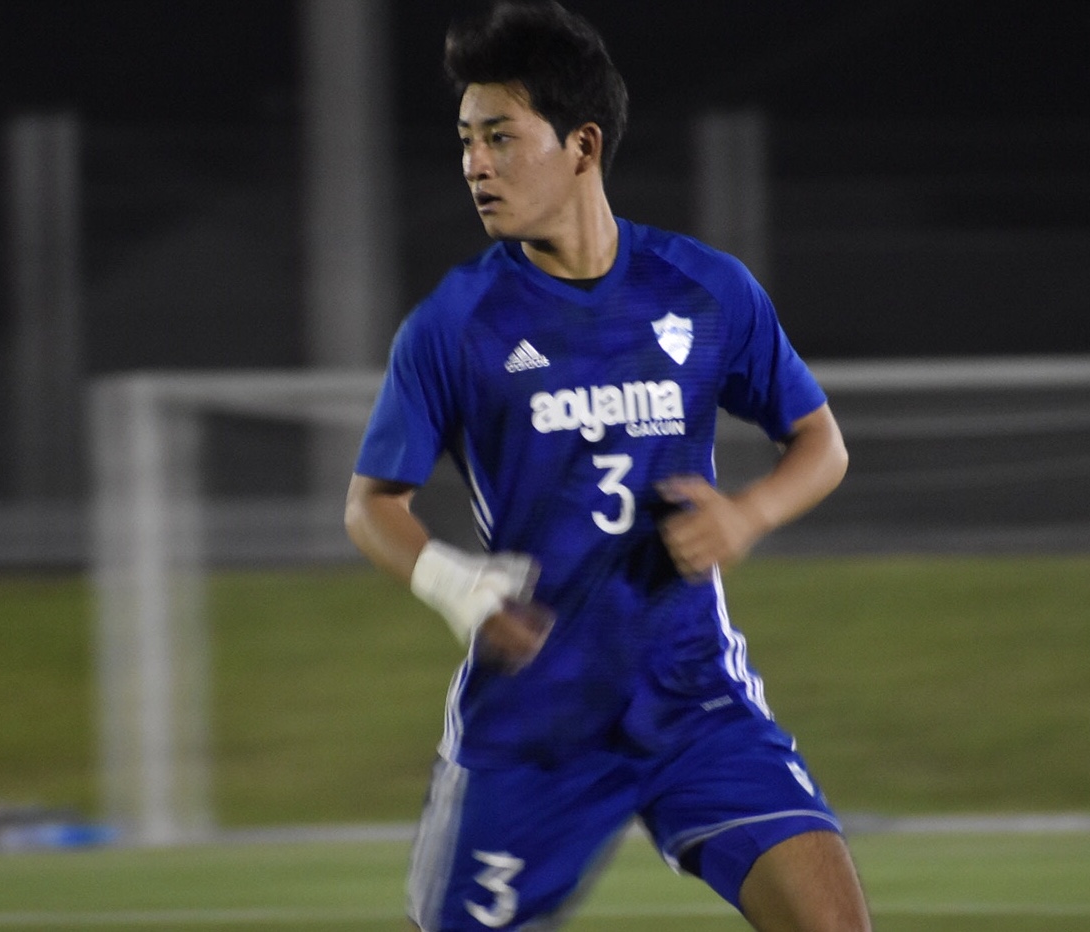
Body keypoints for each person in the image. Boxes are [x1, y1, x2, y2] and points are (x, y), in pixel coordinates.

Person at [344, 2, 868, 929]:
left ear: (582, 145)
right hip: (534, 722)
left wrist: (746, 515)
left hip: (692, 697)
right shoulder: (455, 325)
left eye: (500, 137)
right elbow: (370, 506)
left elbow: (822, 444)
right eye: (466, 140)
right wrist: (458, 586)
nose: (475, 164)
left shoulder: (704, 291)